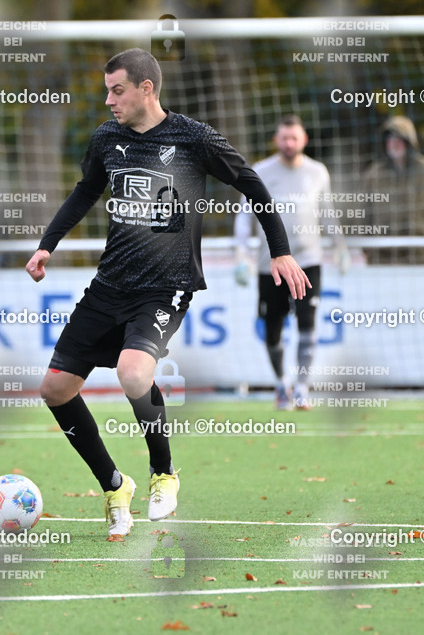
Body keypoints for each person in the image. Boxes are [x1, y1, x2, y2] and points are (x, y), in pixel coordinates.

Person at [25, 48, 310, 540]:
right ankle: (115, 486)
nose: (109, 100)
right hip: (109, 284)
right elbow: (84, 191)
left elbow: (253, 184)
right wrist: (47, 244)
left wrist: (279, 251)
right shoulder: (106, 138)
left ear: (146, 89)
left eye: (117, 90)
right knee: (54, 389)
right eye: (107, 90)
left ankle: (163, 473)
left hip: (166, 286)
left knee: (132, 372)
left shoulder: (192, 137)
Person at [234, 115, 350, 410]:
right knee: (272, 328)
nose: (289, 143)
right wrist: (241, 256)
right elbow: (244, 216)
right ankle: (281, 382)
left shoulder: (317, 172)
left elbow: (327, 213)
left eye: (294, 138)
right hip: (269, 264)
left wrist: (340, 247)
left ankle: (301, 387)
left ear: (304, 140)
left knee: (308, 325)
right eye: (284, 138)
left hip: (308, 260)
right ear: (277, 140)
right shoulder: (260, 171)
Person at [362, 115, 424, 263]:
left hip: (418, 254)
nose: (394, 144)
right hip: (382, 255)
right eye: (390, 139)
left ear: (409, 142)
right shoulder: (374, 174)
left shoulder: (422, 170)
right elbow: (363, 212)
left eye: (399, 139)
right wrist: (366, 245)